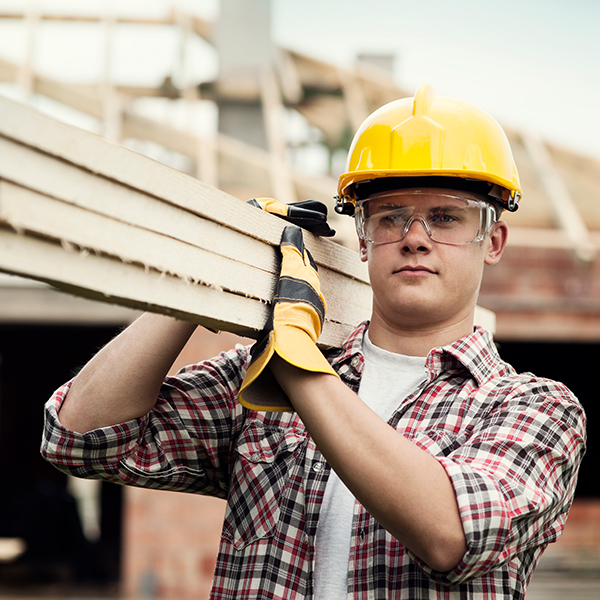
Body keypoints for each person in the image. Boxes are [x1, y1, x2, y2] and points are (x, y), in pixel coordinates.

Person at [42, 84, 586, 600]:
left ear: (492, 240)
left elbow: (451, 533)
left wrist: (296, 363)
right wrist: (208, 281)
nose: (415, 236)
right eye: (390, 216)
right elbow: (79, 437)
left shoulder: (534, 408)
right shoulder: (261, 375)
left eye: (445, 216)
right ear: (364, 237)